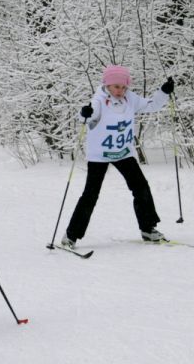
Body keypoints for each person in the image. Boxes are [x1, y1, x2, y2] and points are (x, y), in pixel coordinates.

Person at [61, 66, 175, 248]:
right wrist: (84, 114)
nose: (120, 91)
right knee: (91, 195)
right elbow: (88, 118)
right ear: (107, 85)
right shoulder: (99, 100)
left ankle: (148, 229)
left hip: (123, 152)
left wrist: (163, 92)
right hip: (100, 155)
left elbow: (152, 105)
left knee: (141, 187)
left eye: (123, 87)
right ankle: (70, 236)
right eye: (116, 87)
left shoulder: (130, 99)